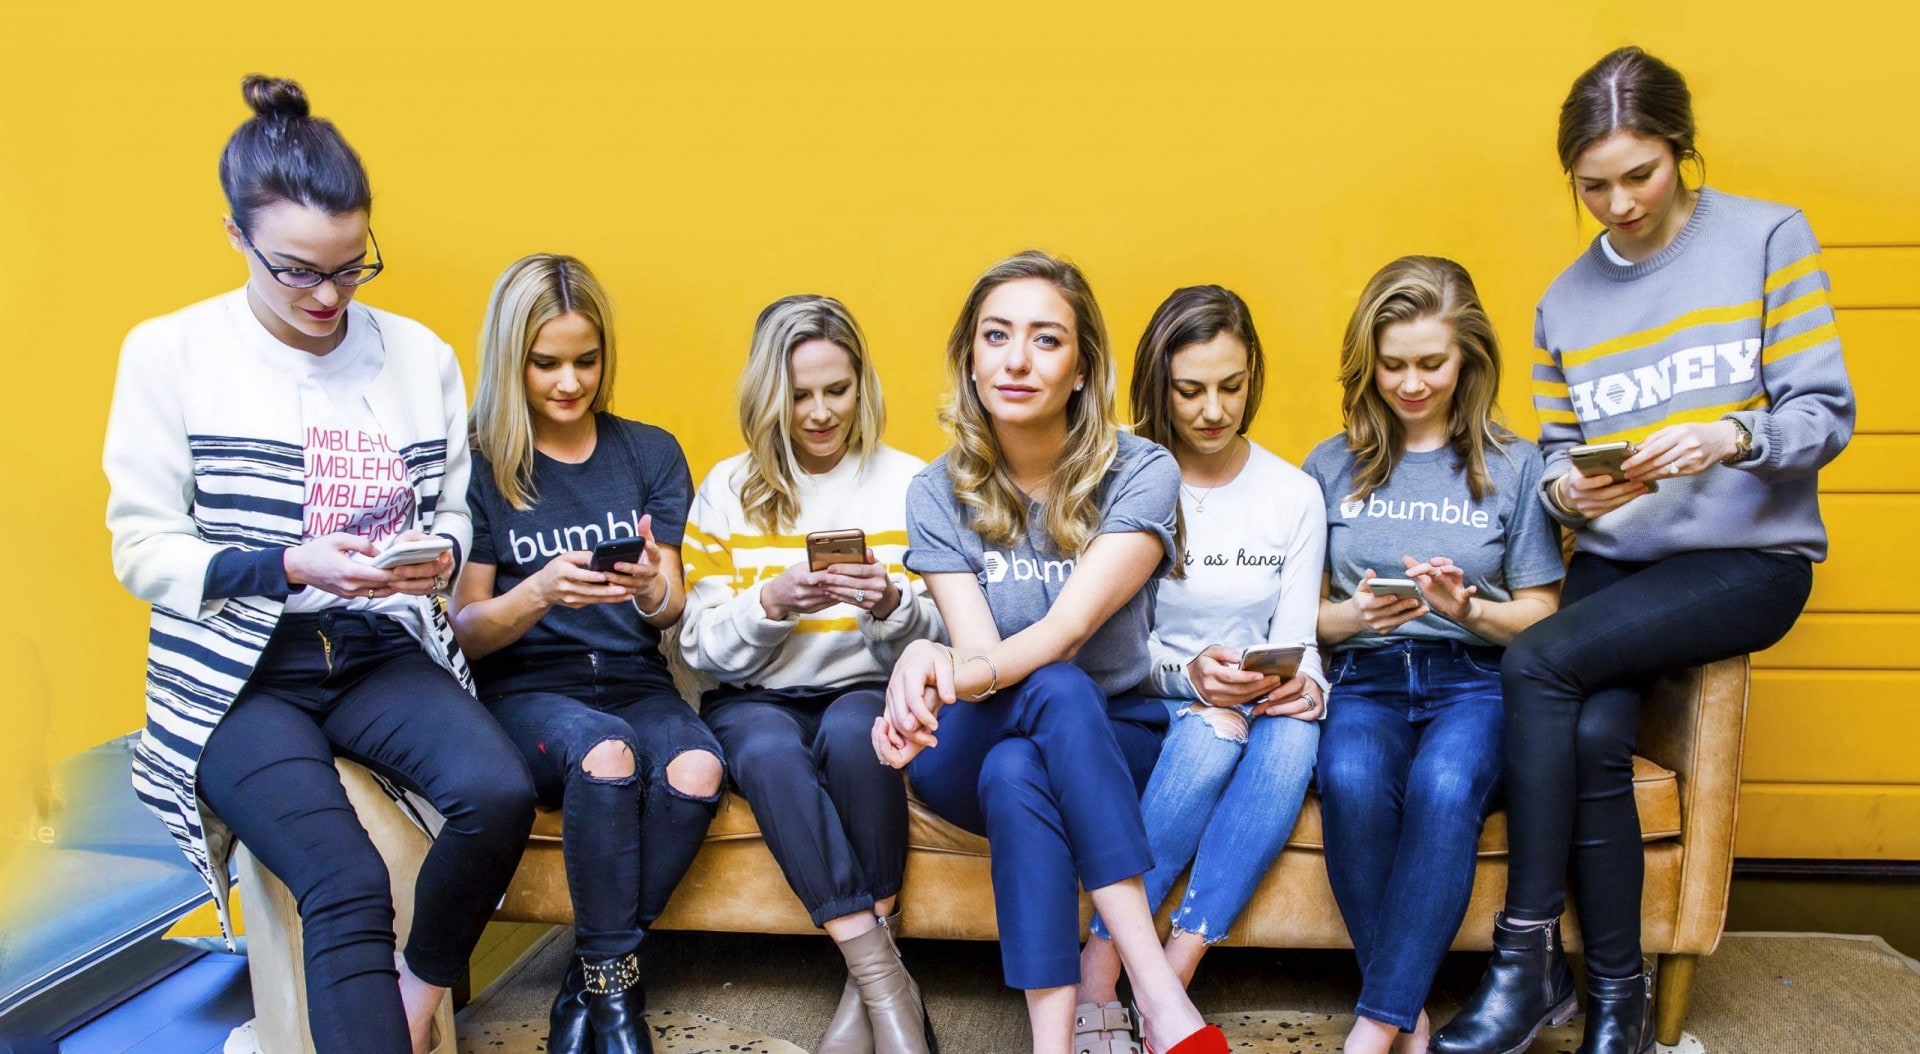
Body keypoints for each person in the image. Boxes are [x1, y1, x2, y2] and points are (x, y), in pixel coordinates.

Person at [103, 76, 535, 1054]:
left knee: (499, 792)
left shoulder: (415, 356)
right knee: (342, 878)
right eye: (299, 271)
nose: (330, 297)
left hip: (378, 648)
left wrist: (430, 557)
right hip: (240, 675)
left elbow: (453, 506)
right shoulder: (171, 355)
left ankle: (417, 992)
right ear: (235, 235)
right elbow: (143, 547)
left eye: (352, 267)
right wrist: (292, 564)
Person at [1434, 47, 1854, 1054]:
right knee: (1584, 737)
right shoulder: (1563, 303)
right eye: (1594, 185)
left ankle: (1526, 957)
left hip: (1746, 556)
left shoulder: (1767, 239)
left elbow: (1826, 414)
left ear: (1681, 150)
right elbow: (1555, 464)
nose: (1619, 202)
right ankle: (1614, 1007)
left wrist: (1731, 435)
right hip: (1620, 558)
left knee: (1535, 656)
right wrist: (1573, 486)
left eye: (1642, 174)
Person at [872, 250, 1229, 1054]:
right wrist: (934, 658)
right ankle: (1162, 999)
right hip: (968, 738)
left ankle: (1052, 1044)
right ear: (970, 356)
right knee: (1046, 702)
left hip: (1114, 734)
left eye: (1045, 340)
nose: (1016, 360)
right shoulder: (937, 490)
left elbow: (1066, 629)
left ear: (1081, 368)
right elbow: (980, 652)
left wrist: (935, 666)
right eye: (996, 336)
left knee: (1034, 744)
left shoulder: (1141, 471)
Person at [451, 254, 724, 1054]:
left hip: (637, 680)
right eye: (546, 364)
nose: (569, 382)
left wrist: (645, 586)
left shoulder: (648, 452)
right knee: (607, 757)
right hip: (527, 692)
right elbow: (464, 626)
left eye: (586, 361)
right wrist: (538, 592)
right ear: (512, 360)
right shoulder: (481, 466)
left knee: (698, 768)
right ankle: (617, 1010)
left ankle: (591, 978)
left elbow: (671, 605)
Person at [1306, 257, 1564, 1054]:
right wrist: (1351, 615)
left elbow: (1542, 617)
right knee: (1348, 778)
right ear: (1367, 361)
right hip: (1366, 677)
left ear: (1468, 361)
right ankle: (1408, 1014)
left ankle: (1376, 1026)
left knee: (1445, 783)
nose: (1410, 383)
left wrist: (1468, 608)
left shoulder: (1517, 466)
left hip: (1477, 683)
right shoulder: (1328, 465)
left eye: (1431, 364)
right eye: (1392, 364)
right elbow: (1296, 618)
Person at [678, 294, 944, 1054]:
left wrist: (892, 601)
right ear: (770, 395)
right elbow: (699, 649)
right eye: (800, 395)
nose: (822, 412)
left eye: (838, 388)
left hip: (865, 685)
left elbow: (947, 638)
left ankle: (866, 992)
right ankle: (886, 983)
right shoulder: (729, 490)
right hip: (753, 695)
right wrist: (768, 603)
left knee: (861, 742)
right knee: (764, 753)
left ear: (864, 383)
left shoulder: (911, 483)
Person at [1074, 286, 1327, 1046]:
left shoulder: (1293, 493)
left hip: (1257, 693)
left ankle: (1174, 970)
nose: (1214, 409)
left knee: (1293, 733)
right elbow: (1103, 641)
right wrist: (1193, 678)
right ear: (1159, 385)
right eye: (1191, 390)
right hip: (1158, 698)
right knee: (1216, 731)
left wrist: (1304, 681)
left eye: (1232, 386)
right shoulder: (1124, 480)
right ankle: (1101, 960)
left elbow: (1300, 634)